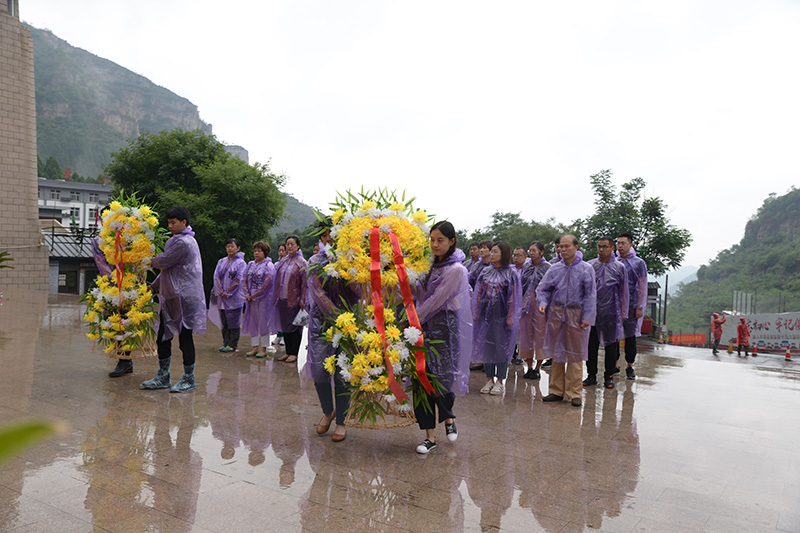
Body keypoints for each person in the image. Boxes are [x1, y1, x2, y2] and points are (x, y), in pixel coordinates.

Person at [413, 221, 472, 454]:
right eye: (432, 240)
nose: (435, 244)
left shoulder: (456, 270)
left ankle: (448, 417)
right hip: (421, 327)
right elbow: (418, 293)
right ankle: (429, 436)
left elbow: (436, 301)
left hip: (444, 328)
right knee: (421, 377)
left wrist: (412, 319)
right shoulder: (428, 266)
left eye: (440, 240)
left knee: (442, 377)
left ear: (452, 241)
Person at [141, 206, 206, 393]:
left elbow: (162, 261)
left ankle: (188, 378)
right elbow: (167, 270)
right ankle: (163, 375)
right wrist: (153, 287)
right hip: (172, 296)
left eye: (173, 222)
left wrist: (141, 256)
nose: (170, 226)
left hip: (184, 297)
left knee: (185, 338)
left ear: (184, 222)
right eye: (168, 222)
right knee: (162, 335)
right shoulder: (176, 240)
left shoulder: (184, 242)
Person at [305, 220, 359, 443]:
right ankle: (328, 410)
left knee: (342, 373)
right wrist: (337, 316)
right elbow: (317, 293)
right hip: (321, 324)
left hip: (348, 325)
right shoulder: (314, 261)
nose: (330, 239)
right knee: (319, 371)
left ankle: (341, 422)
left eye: (334, 234)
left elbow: (359, 290)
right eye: (326, 235)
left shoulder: (352, 260)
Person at [537, 235, 596, 406]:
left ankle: (574, 393)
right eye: (560, 247)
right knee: (557, 353)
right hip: (556, 314)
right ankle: (556, 390)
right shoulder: (555, 269)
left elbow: (590, 295)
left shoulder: (586, 269)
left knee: (575, 354)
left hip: (576, 315)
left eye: (566, 246)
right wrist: (543, 303)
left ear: (576, 247)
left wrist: (587, 317)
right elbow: (543, 288)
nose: (563, 250)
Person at [473, 241, 522, 396]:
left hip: (501, 316)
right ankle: (489, 379)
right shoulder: (485, 272)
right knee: (487, 346)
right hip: (485, 315)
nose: (491, 254)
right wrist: (476, 313)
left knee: (501, 348)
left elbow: (513, 297)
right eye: (491, 251)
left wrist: (510, 316)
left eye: (495, 252)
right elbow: (479, 292)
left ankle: (500, 380)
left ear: (504, 254)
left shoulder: (511, 273)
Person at [90, 210, 134, 378]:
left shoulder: (127, 238)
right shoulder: (98, 241)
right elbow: (102, 265)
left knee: (127, 322)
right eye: (104, 219)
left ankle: (126, 360)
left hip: (128, 285)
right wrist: (116, 281)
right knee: (114, 322)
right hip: (111, 287)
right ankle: (123, 360)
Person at [585, 237, 628, 389]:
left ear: (612, 248)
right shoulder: (590, 266)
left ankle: (609, 376)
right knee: (591, 346)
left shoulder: (619, 267)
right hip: (592, 314)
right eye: (599, 246)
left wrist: (623, 312)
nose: (601, 249)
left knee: (611, 346)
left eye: (605, 246)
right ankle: (591, 375)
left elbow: (624, 292)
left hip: (611, 313)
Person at [616, 232, 647, 380]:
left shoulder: (638, 263)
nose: (620, 246)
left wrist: (639, 306)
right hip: (614, 305)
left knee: (630, 337)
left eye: (623, 243)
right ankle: (613, 364)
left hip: (631, 306)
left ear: (631, 244)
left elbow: (642, 285)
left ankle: (629, 366)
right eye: (618, 243)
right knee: (613, 336)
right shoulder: (614, 261)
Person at [273, 235, 308, 364]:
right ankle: (288, 351)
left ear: (298, 246)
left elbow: (305, 283)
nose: (289, 246)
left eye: (292, 244)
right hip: (282, 298)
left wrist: (303, 299)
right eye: (288, 244)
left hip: (295, 299)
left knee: (295, 327)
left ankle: (294, 353)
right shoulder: (284, 261)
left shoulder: (302, 262)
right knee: (285, 326)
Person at [519, 241, 551, 379]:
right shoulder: (526, 266)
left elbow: (550, 288)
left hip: (540, 306)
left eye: (534, 250)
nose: (531, 253)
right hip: (526, 304)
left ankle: (538, 367)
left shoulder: (548, 267)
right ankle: (529, 366)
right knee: (525, 335)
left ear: (541, 252)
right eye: (530, 250)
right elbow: (521, 285)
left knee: (540, 336)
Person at [209, 239, 246, 353]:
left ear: (238, 248)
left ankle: (232, 344)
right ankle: (225, 342)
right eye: (228, 246)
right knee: (224, 321)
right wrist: (220, 290)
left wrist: (228, 292)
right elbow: (216, 276)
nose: (230, 248)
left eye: (232, 246)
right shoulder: (221, 261)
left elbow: (239, 279)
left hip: (234, 298)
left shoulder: (241, 263)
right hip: (222, 297)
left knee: (234, 321)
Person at [242, 241, 276, 357]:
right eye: (255, 250)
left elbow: (268, 282)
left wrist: (256, 295)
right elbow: (244, 279)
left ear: (265, 252)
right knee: (253, 322)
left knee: (263, 323)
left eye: (259, 251)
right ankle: (254, 346)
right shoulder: (251, 264)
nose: (256, 253)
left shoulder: (268, 265)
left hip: (263, 299)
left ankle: (264, 348)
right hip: (251, 299)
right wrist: (247, 294)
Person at [272, 243, 288, 347]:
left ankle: (284, 337)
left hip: (285, 294)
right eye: (280, 251)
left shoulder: (288, 264)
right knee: (277, 315)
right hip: (276, 293)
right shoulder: (276, 264)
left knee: (285, 316)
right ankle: (278, 335)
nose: (281, 253)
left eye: (283, 250)